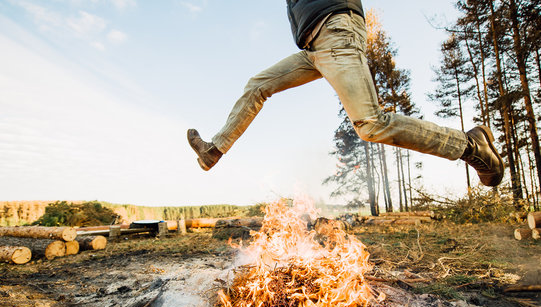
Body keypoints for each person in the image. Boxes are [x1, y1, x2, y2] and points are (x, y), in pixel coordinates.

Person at [187, 0, 504, 187]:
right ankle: (214, 150)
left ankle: (470, 146)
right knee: (258, 85)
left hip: (336, 31)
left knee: (371, 124)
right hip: (314, 48)